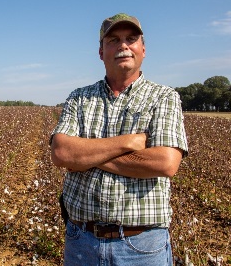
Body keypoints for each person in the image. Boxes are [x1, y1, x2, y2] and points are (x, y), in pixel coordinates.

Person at [50, 13, 188, 266]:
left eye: (131, 39)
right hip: (81, 240)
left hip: (142, 245)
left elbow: (165, 164)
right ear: (101, 52)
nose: (123, 45)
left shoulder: (164, 97)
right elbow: (61, 153)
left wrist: (85, 156)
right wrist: (129, 142)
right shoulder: (79, 98)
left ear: (143, 49)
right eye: (113, 40)